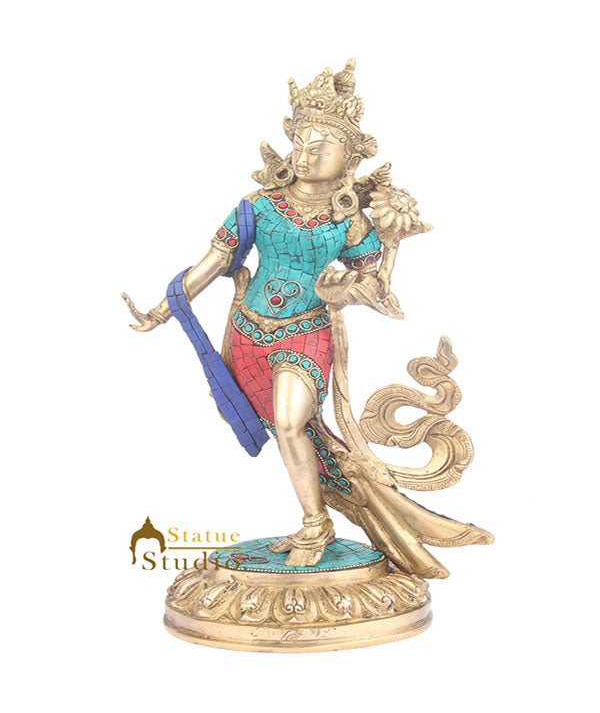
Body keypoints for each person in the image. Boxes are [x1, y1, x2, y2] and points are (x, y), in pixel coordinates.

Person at [123, 61, 492, 573]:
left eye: (320, 147)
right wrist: (164, 308)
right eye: (299, 143)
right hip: (248, 333)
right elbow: (215, 261)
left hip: (306, 331)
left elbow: (375, 286)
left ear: (348, 158)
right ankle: (315, 519)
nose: (304, 155)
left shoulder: (349, 219)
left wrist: (362, 274)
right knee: (285, 430)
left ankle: (316, 526)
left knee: (291, 422)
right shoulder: (258, 206)